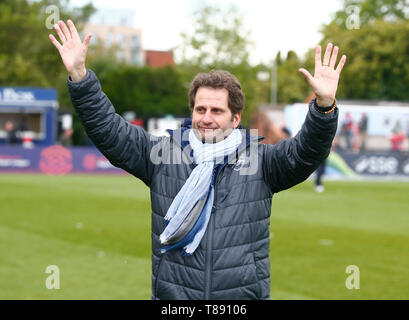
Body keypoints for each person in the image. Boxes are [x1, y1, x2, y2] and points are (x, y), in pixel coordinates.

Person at [49, 20, 346, 300]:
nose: (206, 118)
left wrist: (323, 106)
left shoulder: (262, 160)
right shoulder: (163, 155)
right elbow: (110, 131)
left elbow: (306, 153)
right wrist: (80, 77)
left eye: (216, 111)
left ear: (236, 117)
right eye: (200, 109)